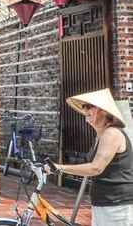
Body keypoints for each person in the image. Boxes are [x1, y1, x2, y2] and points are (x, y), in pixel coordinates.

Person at [49, 89, 133, 226]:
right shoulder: (100, 136)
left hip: (117, 204)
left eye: (90, 106)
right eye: (84, 106)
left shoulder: (111, 134)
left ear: (104, 111)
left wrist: (59, 168)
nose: (85, 109)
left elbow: (96, 167)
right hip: (105, 201)